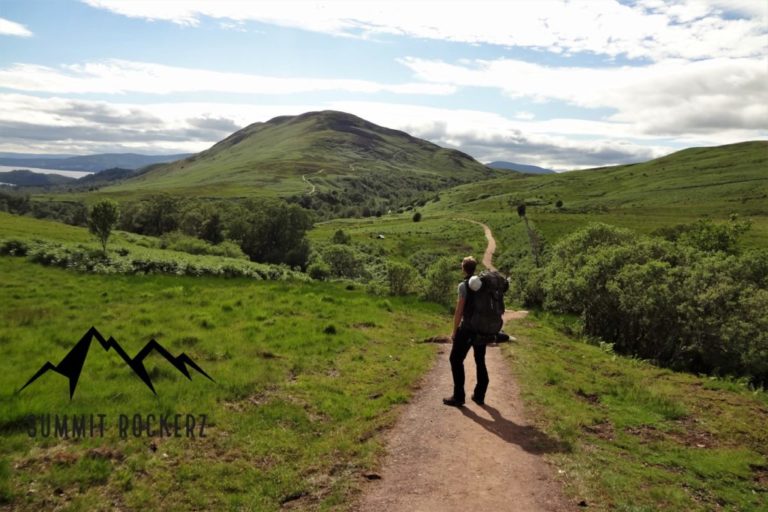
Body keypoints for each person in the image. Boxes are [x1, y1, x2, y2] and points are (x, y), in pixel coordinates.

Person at [443, 256, 489, 407]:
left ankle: (458, 396)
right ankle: (479, 395)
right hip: (482, 328)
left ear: (463, 268)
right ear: (474, 268)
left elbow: (459, 312)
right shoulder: (483, 284)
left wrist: (455, 331)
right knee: (480, 360)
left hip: (468, 329)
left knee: (455, 360)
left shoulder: (463, 286)